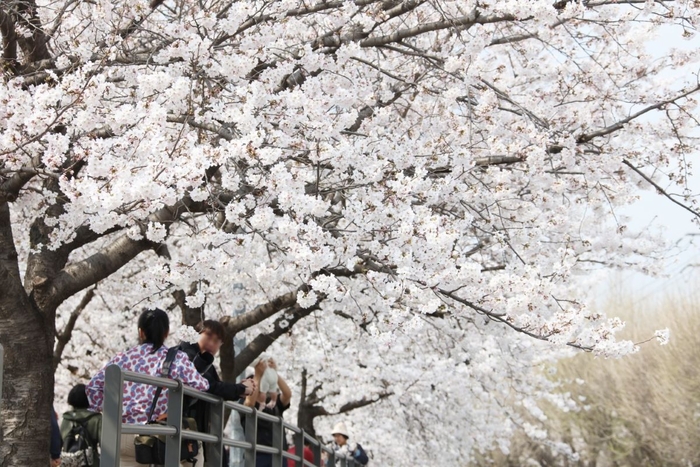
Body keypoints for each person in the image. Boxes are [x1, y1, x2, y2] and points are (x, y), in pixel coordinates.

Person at [86, 308, 209, 467]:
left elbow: (93, 387)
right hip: (156, 436)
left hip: (122, 433)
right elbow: (201, 385)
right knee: (195, 451)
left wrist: (111, 411)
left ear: (140, 332)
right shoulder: (175, 358)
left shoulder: (122, 358)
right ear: (166, 332)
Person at [178, 319, 256, 466]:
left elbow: (217, 386)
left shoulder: (204, 362)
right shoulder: (187, 355)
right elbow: (210, 386)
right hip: (181, 427)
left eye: (218, 341)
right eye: (208, 337)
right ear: (196, 334)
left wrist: (240, 388)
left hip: (189, 428)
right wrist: (240, 389)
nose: (212, 344)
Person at [241, 357, 292, 467]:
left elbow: (287, 394)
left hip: (279, 453)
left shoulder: (272, 403)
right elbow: (249, 404)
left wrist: (273, 373)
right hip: (257, 454)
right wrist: (257, 375)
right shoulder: (245, 401)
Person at [60, 384, 102, 466]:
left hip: (69, 462)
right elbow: (104, 445)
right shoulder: (97, 418)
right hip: (90, 462)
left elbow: (61, 439)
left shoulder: (66, 418)